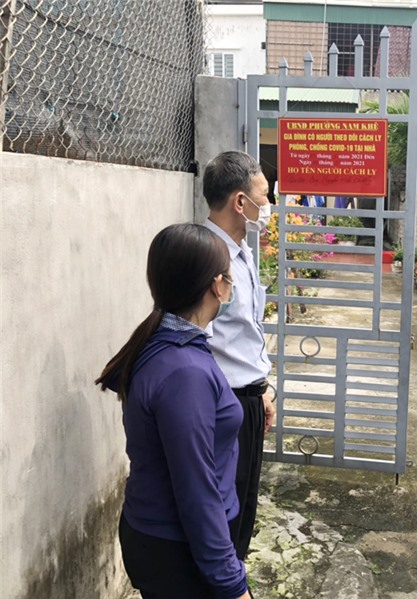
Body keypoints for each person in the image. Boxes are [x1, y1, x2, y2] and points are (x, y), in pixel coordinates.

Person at [96, 224, 250, 599]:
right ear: (217, 286)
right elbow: (196, 489)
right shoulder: (184, 372)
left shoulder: (170, 344)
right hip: (178, 549)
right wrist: (232, 583)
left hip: (167, 538)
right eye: (229, 276)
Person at [203, 151, 276, 560]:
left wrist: (261, 388)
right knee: (224, 509)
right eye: (264, 195)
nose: (269, 204)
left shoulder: (241, 251)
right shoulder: (208, 258)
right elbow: (199, 340)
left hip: (247, 397)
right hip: (223, 402)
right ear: (240, 201)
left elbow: (244, 333)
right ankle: (224, 580)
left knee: (244, 501)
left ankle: (234, 576)